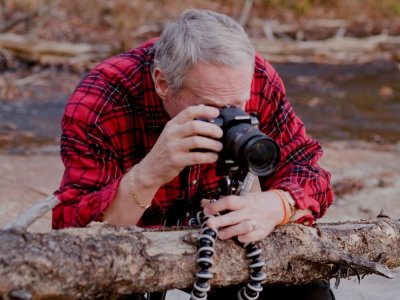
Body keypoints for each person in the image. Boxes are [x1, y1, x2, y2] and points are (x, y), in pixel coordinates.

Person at [53, 9, 334, 300]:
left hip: (219, 235)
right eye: (211, 106)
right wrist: (148, 175)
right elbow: (72, 235)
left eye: (239, 105)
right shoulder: (103, 97)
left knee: (304, 285)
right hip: (130, 244)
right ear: (163, 84)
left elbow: (310, 172)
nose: (229, 116)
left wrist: (276, 204)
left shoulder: (252, 76)